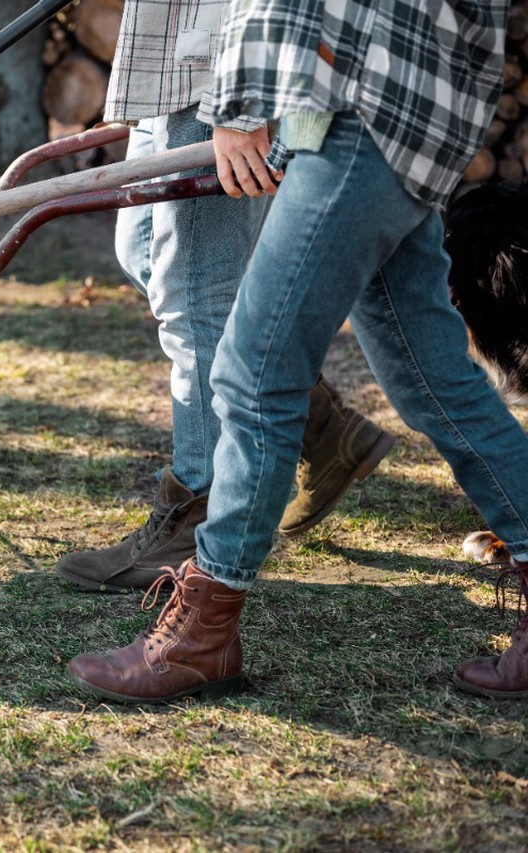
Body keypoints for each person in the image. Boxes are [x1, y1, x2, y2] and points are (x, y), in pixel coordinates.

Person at [68, 0, 528, 702]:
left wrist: (241, 104)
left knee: (255, 376)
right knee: (432, 379)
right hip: (411, 107)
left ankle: (202, 635)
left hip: (361, 105)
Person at [54, 0, 394, 594]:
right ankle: (318, 423)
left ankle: (199, 515)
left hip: (219, 64)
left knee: (198, 298)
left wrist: (242, 105)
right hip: (170, 57)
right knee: (143, 254)